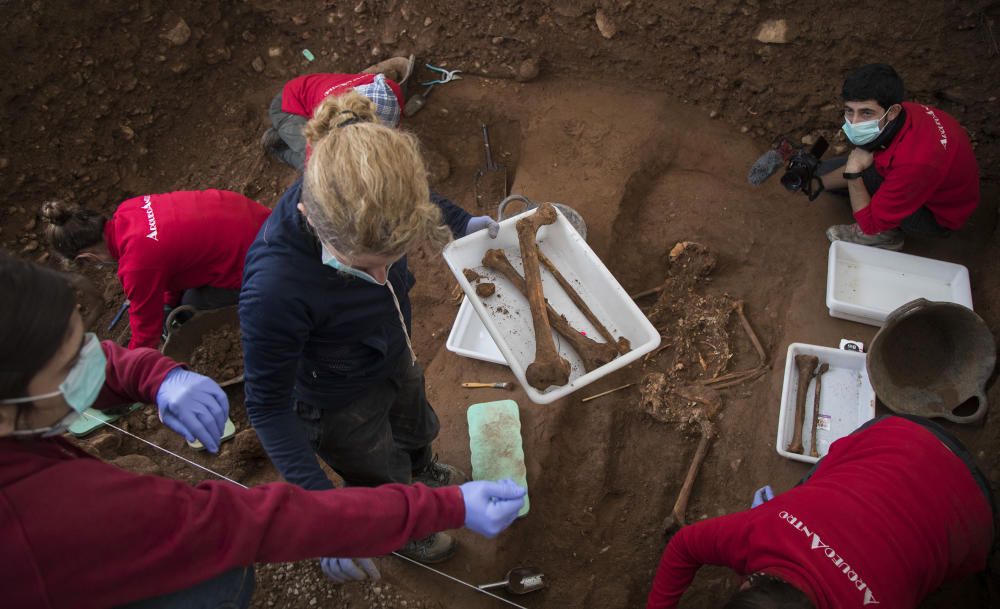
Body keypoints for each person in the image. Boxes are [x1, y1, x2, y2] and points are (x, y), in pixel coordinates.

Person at [0, 253, 526, 609]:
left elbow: (87, 366)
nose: (96, 360)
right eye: (74, 364)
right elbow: (247, 522)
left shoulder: (23, 398)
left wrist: (155, 376)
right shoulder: (44, 522)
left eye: (88, 340)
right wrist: (446, 507)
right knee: (219, 576)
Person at [240, 90, 501, 574]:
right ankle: (403, 525)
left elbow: (413, 199)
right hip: (333, 396)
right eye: (366, 266)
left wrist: (462, 222)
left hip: (386, 345)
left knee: (413, 418)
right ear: (310, 219)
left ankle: (422, 469)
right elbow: (267, 408)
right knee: (376, 466)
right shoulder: (275, 290)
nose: (383, 279)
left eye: (392, 260)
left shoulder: (371, 190)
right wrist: (326, 518)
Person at [646, 415, 996, 609]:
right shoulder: (766, 526)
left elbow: (683, 545)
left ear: (748, 582)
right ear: (750, 583)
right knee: (811, 492)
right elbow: (684, 545)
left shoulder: (761, 529)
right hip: (903, 436)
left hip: (976, 517)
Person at [41, 190, 271, 350]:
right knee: (184, 301)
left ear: (88, 257)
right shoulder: (130, 208)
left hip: (265, 263)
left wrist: (127, 374)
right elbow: (173, 260)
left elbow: (145, 338)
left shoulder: (136, 265)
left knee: (194, 311)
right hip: (265, 222)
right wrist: (168, 301)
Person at [815, 64, 979, 251]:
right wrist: (818, 182)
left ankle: (886, 236)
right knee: (824, 170)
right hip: (928, 180)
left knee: (863, 179)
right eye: (849, 111)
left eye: (866, 113)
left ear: (892, 112)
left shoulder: (916, 162)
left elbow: (869, 224)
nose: (854, 122)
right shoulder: (904, 112)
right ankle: (821, 180)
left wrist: (853, 174)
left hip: (936, 216)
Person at [262, 55, 413, 171]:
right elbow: (323, 145)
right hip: (287, 108)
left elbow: (393, 124)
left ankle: (286, 135)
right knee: (316, 165)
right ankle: (278, 146)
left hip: (304, 94)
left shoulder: (388, 87)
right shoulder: (333, 111)